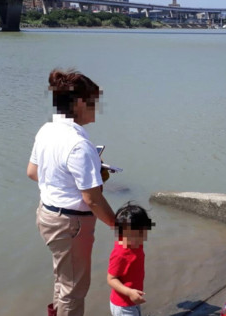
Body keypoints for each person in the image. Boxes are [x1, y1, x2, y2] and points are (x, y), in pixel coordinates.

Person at [27, 69, 116, 316]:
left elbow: (33, 172)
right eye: (93, 102)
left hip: (47, 215)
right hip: (71, 224)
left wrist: (73, 176)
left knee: (64, 279)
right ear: (78, 103)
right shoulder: (79, 145)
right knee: (74, 289)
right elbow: (92, 198)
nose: (96, 108)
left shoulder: (46, 130)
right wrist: (117, 225)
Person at [107, 202, 155, 316]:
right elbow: (111, 279)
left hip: (132, 300)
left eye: (141, 234)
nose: (136, 240)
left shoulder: (136, 243)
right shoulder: (121, 253)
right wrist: (129, 292)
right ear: (121, 233)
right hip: (123, 305)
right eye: (131, 236)